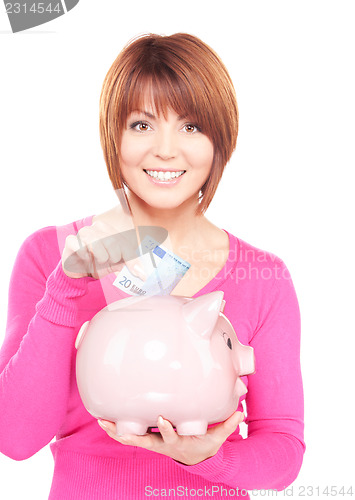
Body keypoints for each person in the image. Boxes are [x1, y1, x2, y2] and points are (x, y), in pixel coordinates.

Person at [0, 33, 305, 499]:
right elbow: (16, 439)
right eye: (142, 125)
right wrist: (64, 287)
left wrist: (210, 457)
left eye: (191, 126)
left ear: (221, 139)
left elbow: (283, 453)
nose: (165, 150)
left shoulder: (263, 278)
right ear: (113, 134)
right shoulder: (48, 255)